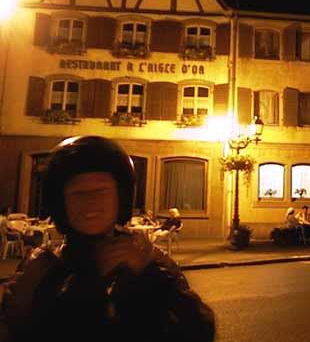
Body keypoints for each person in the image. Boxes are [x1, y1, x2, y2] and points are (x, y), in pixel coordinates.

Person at [0, 136, 215, 341]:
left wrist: (150, 275)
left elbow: (199, 330)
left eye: (101, 191)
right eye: (78, 193)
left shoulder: (150, 261)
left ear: (120, 198)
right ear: (60, 203)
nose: (91, 202)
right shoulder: (40, 269)